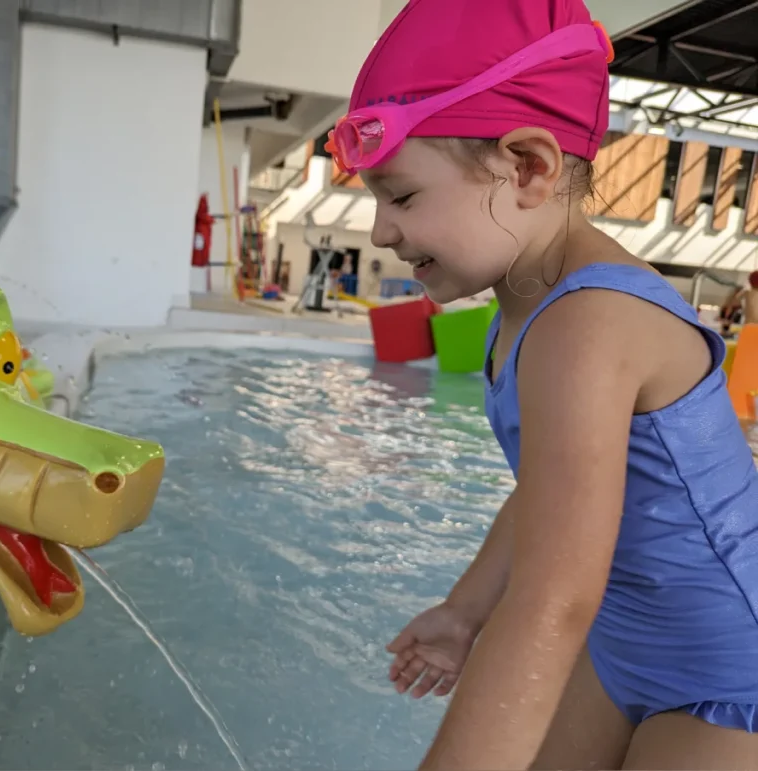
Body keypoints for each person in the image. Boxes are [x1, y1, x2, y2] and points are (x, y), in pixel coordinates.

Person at [324, 1, 758, 769]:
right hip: (625, 644)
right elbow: (551, 492)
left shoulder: (587, 321)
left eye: (402, 196)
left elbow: (553, 604)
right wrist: (465, 610)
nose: (380, 232)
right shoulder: (521, 309)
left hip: (727, 670)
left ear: (528, 167)